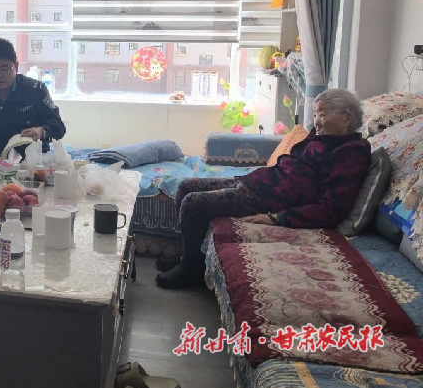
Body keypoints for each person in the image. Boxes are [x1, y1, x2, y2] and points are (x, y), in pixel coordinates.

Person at [157, 89, 371, 290]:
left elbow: (332, 208)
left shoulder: (351, 153)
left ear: (347, 117)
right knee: (185, 186)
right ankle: (190, 255)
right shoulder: (322, 137)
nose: (316, 121)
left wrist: (278, 218)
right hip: (263, 183)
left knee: (194, 203)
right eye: (315, 114)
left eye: (322, 115)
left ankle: (191, 270)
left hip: (271, 199)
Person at [0, 38, 67, 163]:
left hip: (32, 162)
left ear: (16, 66)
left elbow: (58, 127)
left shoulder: (36, 90)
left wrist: (41, 131)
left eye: (4, 69)